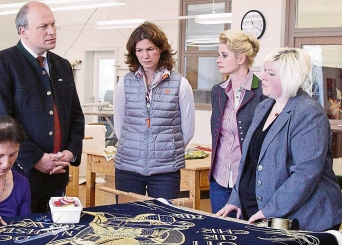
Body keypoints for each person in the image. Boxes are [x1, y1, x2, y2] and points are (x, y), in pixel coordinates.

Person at [216, 47, 342, 232]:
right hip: (260, 213)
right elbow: (249, 161)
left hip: (304, 219)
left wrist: (270, 210)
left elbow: (305, 174)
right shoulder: (264, 106)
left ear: (290, 78)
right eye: (264, 70)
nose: (262, 76)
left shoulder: (308, 113)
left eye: (271, 73)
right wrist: (236, 198)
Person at [0, 1, 85, 213]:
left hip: (57, 177)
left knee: (56, 241)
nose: (52, 31)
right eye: (43, 26)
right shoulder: (1, 63)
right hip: (18, 176)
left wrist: (70, 153)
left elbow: (75, 116)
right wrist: (36, 158)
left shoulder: (62, 65)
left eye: (54, 25)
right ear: (23, 31)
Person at [113, 22, 195, 199]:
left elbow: (187, 130)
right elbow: (119, 126)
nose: (145, 56)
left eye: (150, 49)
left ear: (161, 50)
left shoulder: (181, 84)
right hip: (128, 168)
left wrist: (166, 151)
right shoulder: (124, 83)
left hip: (166, 171)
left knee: (163, 221)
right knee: (126, 220)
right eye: (139, 50)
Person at [209, 29, 265, 215]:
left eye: (224, 55)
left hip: (249, 182)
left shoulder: (263, 93)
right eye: (219, 55)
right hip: (219, 180)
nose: (218, 60)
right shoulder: (218, 91)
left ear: (241, 59)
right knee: (220, 234)